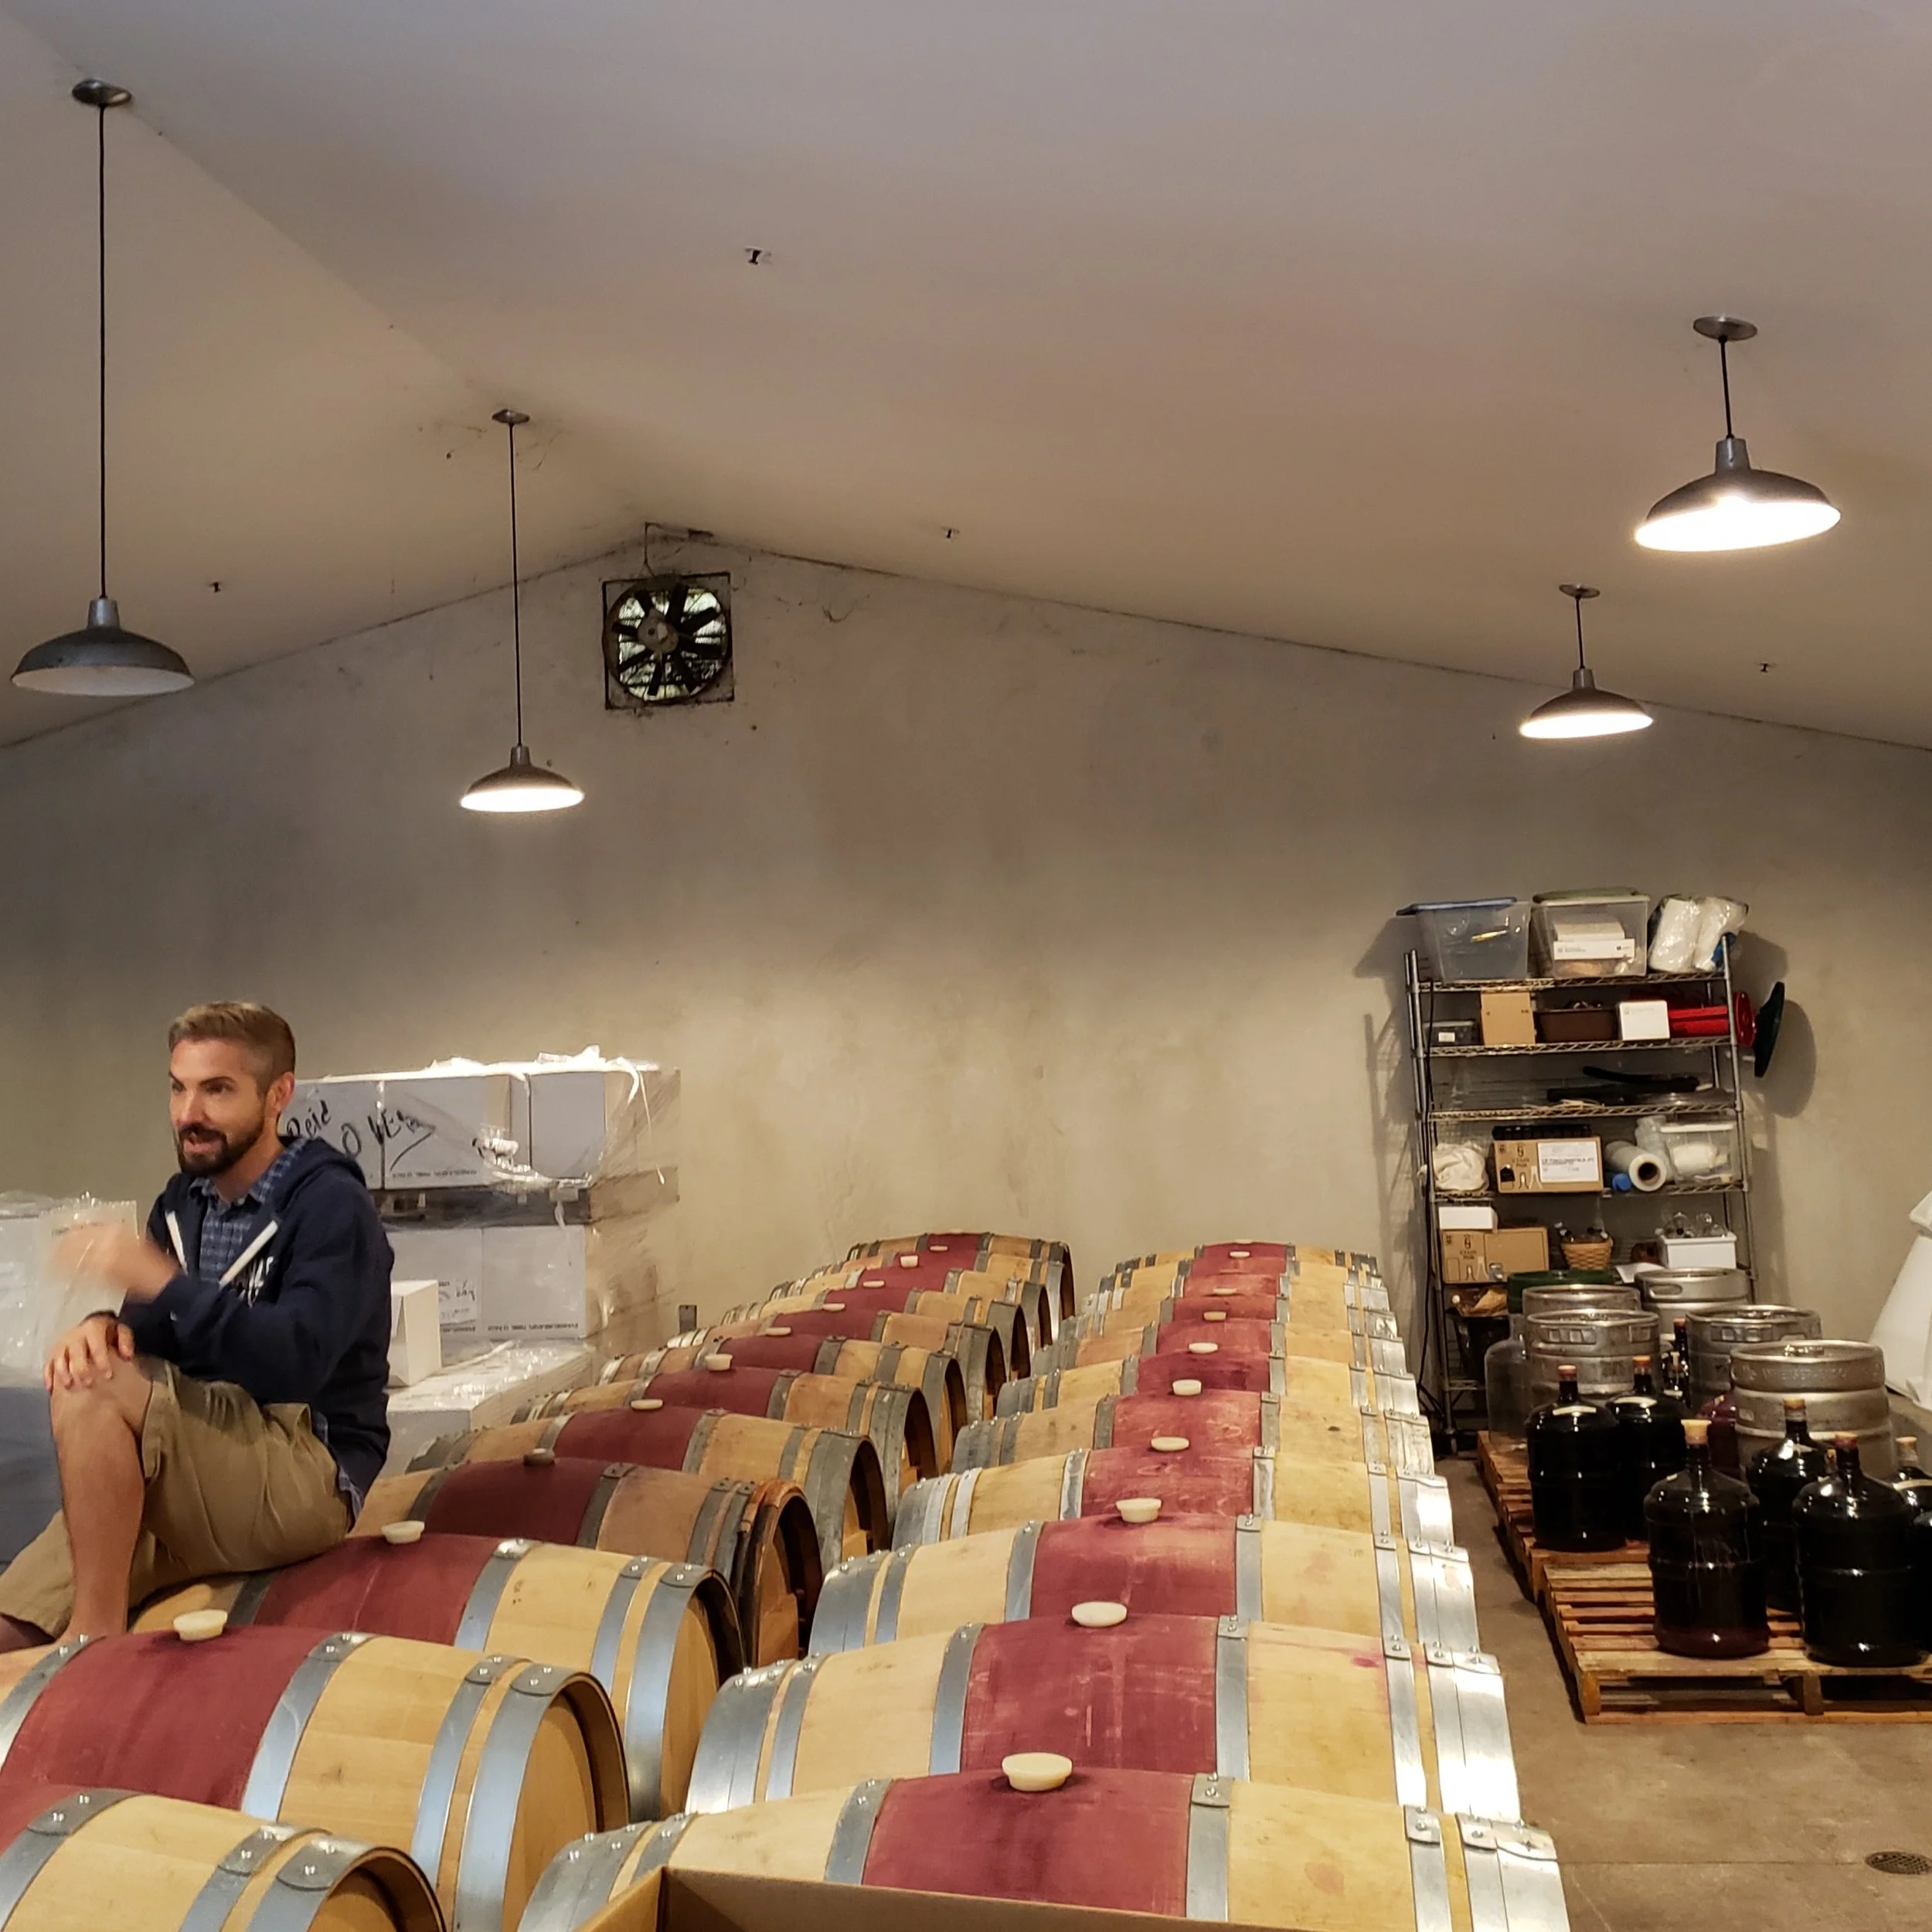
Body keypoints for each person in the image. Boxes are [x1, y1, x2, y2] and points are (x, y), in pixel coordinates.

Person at [0, 1002, 393, 1648]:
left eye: (217, 1090)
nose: (189, 1115)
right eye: (179, 1088)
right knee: (11, 1627)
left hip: (305, 1465)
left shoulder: (329, 1206)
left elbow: (295, 1361)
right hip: (202, 1453)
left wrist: (165, 1282)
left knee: (94, 1390)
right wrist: (100, 1327)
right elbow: (147, 1340)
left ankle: (92, 1643)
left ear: (278, 1096)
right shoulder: (184, 1203)